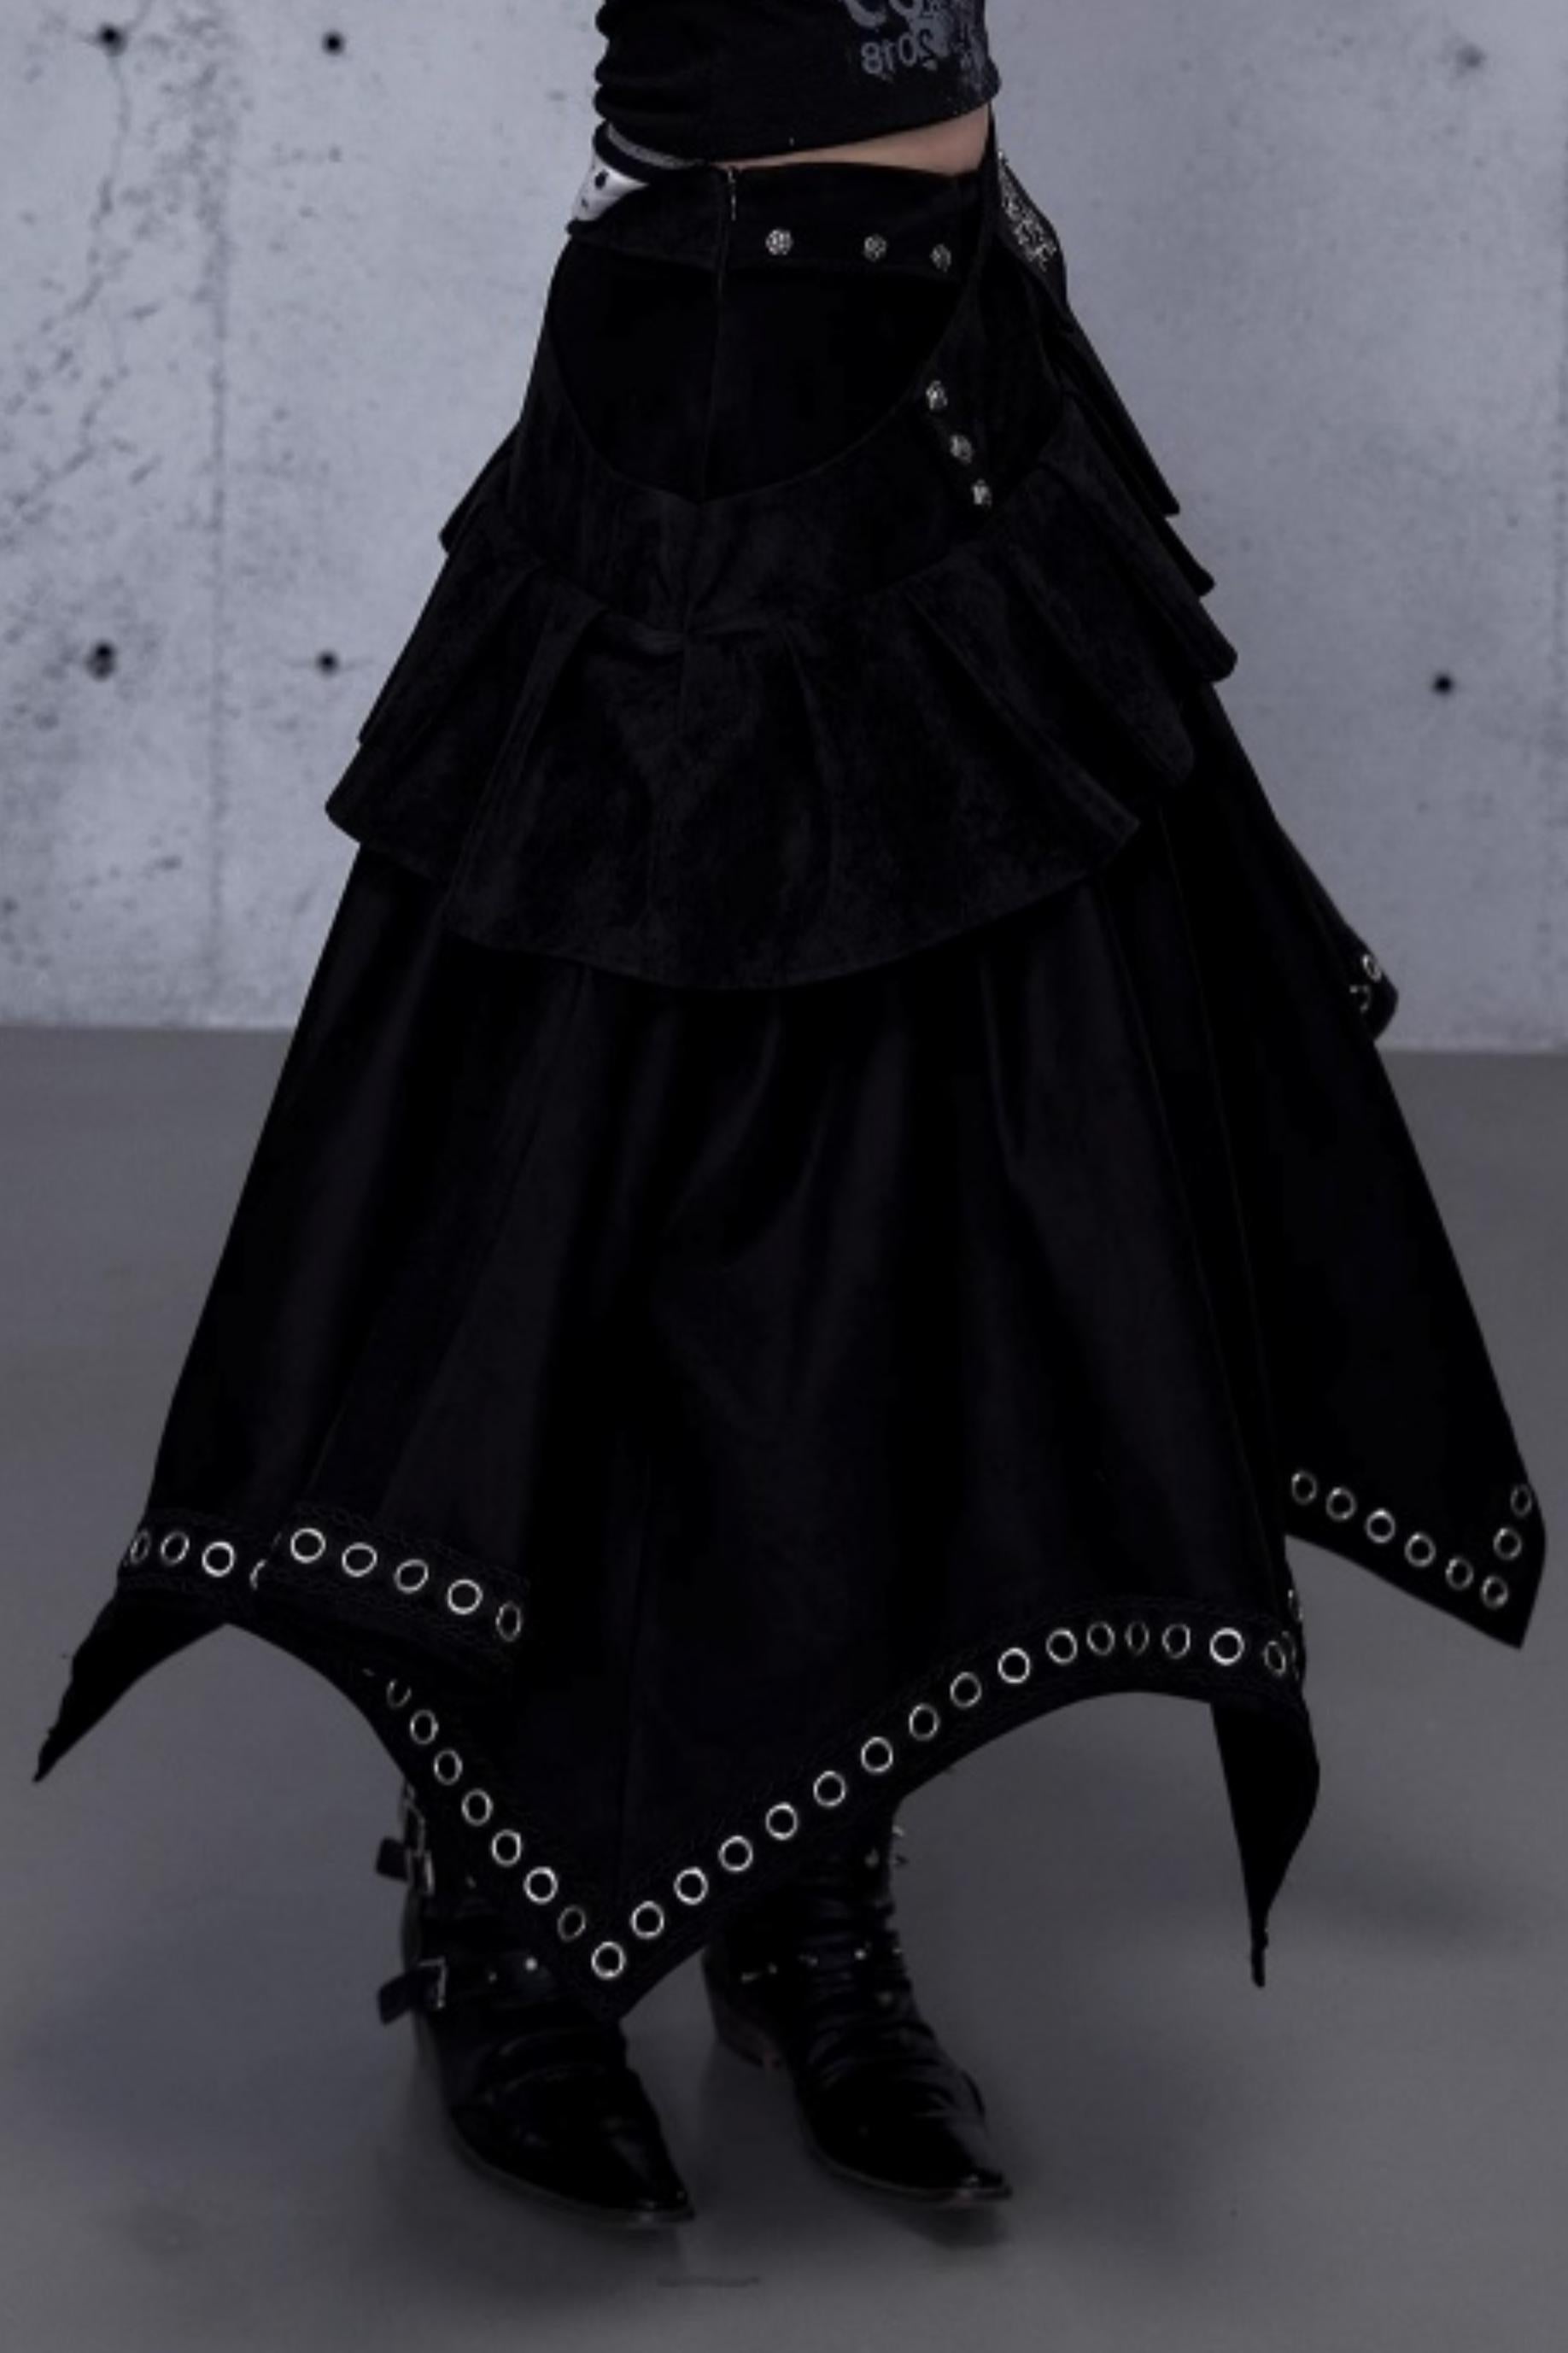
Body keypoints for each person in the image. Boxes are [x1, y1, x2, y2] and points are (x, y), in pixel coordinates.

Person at [34, 0, 1547, 2232]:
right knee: (595, 1180)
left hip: (943, 359)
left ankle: (803, 1877)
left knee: (906, 1182)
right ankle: (507, 1909)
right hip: (714, 382)